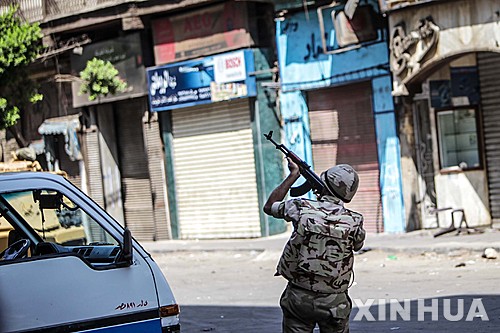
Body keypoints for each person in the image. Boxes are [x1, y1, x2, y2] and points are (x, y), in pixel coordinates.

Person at [263, 158, 366, 333]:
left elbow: (269, 206)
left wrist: (294, 175)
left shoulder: (301, 207)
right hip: (335, 301)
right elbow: (357, 245)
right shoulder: (355, 220)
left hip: (299, 296)